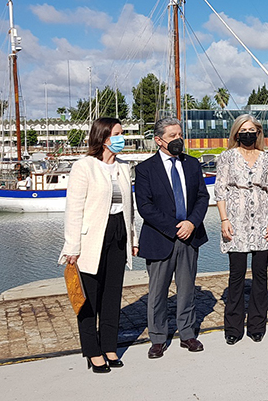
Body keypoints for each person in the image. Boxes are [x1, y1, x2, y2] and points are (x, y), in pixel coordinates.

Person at [58, 117, 136, 373]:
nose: (121, 138)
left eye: (122, 133)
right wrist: (72, 247)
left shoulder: (124, 168)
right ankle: (92, 352)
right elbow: (74, 209)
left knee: (112, 295)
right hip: (91, 238)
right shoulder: (84, 167)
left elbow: (130, 209)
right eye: (117, 133)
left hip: (118, 234)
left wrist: (133, 239)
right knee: (89, 297)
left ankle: (110, 346)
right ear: (103, 137)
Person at [135, 117, 210, 358]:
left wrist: (191, 223)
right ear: (159, 140)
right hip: (160, 238)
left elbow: (202, 197)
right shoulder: (145, 169)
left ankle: (187, 334)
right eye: (172, 136)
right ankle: (157, 338)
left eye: (180, 135)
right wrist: (175, 227)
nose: (178, 140)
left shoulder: (192, 164)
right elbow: (145, 206)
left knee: (187, 289)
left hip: (190, 236)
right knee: (157, 292)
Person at [214, 115, 268, 345]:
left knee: (261, 276)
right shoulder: (227, 158)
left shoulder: (266, 159)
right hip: (236, 222)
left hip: (262, 222)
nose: (248, 133)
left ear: (258, 132)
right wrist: (224, 220)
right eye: (244, 130)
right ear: (236, 133)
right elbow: (220, 191)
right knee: (237, 276)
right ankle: (233, 326)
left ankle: (257, 324)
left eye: (252, 129)